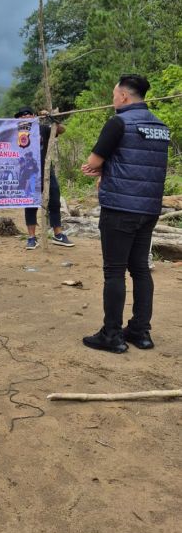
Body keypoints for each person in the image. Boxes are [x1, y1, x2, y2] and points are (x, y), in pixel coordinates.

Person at [81, 75, 170, 353]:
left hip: (119, 209)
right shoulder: (160, 126)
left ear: (123, 97)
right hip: (149, 209)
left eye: (113, 95)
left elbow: (93, 162)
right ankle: (141, 332)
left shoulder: (118, 122)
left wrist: (99, 168)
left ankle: (112, 335)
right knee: (140, 269)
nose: (112, 100)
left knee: (115, 271)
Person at [14, 106, 74, 250]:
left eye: (28, 114)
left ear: (34, 116)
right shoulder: (13, 132)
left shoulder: (43, 129)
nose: (25, 117)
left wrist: (51, 118)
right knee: (30, 204)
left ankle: (58, 234)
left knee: (54, 201)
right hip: (27, 175)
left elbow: (61, 130)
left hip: (47, 171)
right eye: (21, 115)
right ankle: (32, 238)